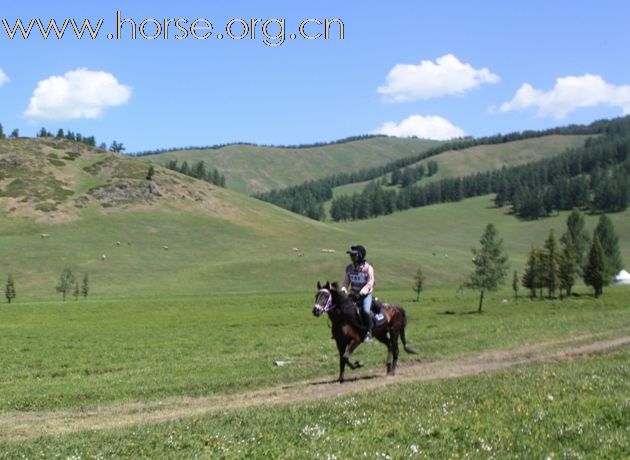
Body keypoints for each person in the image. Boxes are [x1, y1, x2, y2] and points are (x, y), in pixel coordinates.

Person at [341, 245, 375, 341]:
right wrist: (343, 290)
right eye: (351, 255)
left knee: (365, 311)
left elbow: (370, 282)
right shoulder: (349, 268)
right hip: (353, 294)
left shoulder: (368, 268)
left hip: (365, 295)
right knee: (344, 310)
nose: (351, 257)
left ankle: (368, 332)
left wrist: (362, 292)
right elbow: (346, 282)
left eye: (354, 255)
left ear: (360, 256)